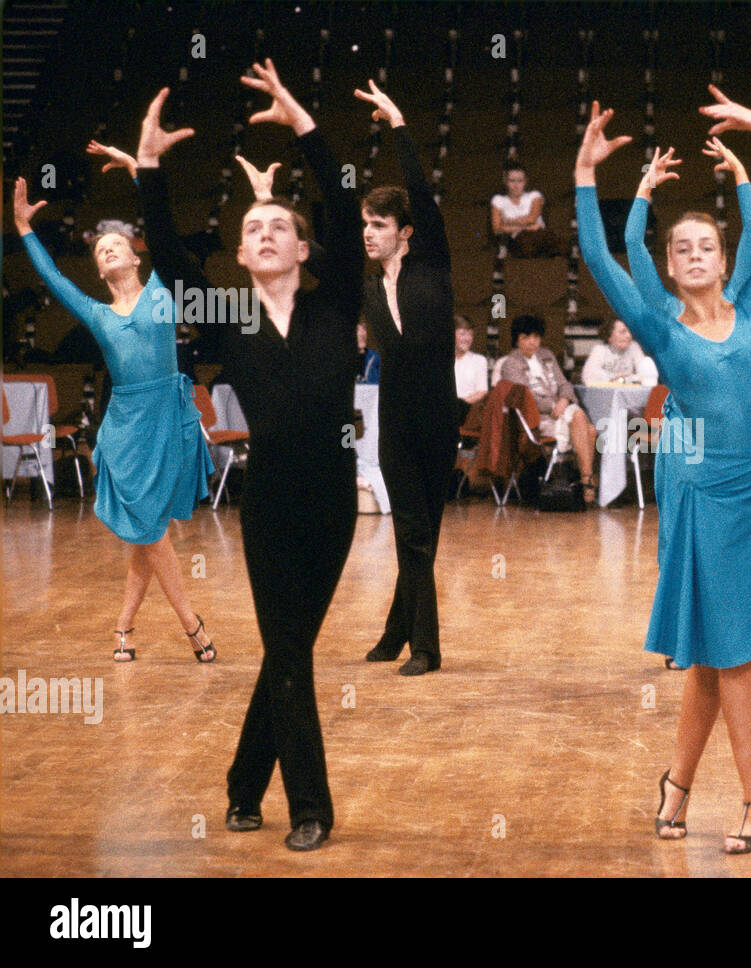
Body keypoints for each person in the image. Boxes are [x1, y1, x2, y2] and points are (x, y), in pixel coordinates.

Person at [577, 87, 751, 854]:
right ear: (668, 262)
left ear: (723, 258)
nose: (692, 257)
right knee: (737, 657)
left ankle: (676, 784)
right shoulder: (660, 328)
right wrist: (588, 178)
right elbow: (596, 254)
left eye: (705, 246)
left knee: (718, 661)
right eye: (678, 248)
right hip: (708, 500)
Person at [138, 63, 363, 852]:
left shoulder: (338, 300)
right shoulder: (227, 315)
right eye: (252, 230)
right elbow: (166, 255)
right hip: (268, 499)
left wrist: (305, 121)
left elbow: (341, 196)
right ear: (238, 256)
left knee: (288, 647)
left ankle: (241, 785)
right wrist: (148, 167)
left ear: (303, 247)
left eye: (278, 227)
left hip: (335, 497)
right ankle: (310, 807)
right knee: (292, 649)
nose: (265, 234)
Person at [13, 145, 216, 666]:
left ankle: (125, 626)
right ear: (100, 268)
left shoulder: (160, 291)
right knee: (148, 530)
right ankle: (190, 624)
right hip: (124, 424)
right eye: (99, 248)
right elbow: (56, 280)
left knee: (148, 533)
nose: (106, 250)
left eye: (115, 244)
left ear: (134, 254)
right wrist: (24, 229)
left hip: (168, 418)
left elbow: (165, 230)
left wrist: (136, 170)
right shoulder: (97, 313)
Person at [352, 79, 459, 676]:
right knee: (412, 531)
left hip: (439, 418)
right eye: (364, 223)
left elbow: (421, 190)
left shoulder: (433, 262)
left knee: (424, 533)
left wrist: (398, 123)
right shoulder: (368, 282)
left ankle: (399, 632)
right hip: (393, 417)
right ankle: (424, 646)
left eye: (379, 223)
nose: (368, 232)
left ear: (404, 230)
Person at [499, 314, 600, 503]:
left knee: (584, 423)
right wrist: (556, 405)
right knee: (588, 428)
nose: (532, 342)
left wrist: (563, 400)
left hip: (560, 411)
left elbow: (565, 385)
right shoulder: (510, 364)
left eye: (536, 337)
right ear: (516, 339)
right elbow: (525, 399)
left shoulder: (547, 356)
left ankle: (585, 481)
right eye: (526, 337)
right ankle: (587, 481)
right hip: (537, 418)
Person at [491, 161, 563, 257]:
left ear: (525, 181)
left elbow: (532, 219)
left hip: (541, 234)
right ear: (506, 181)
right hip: (520, 238)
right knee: (527, 246)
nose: (516, 186)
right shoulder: (499, 200)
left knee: (557, 244)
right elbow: (497, 228)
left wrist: (508, 222)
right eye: (512, 181)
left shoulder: (534, 196)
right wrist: (524, 226)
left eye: (520, 181)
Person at [581, 318, 660, 386]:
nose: (628, 336)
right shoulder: (600, 350)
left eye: (630, 332)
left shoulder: (634, 347)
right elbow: (588, 376)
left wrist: (624, 379)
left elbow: (646, 375)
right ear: (610, 336)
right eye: (623, 332)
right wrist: (618, 377)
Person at [454, 314, 489, 411]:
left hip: (468, 412)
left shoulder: (479, 360)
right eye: (462, 334)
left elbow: (482, 391)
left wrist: (460, 405)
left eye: (470, 334)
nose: (467, 338)